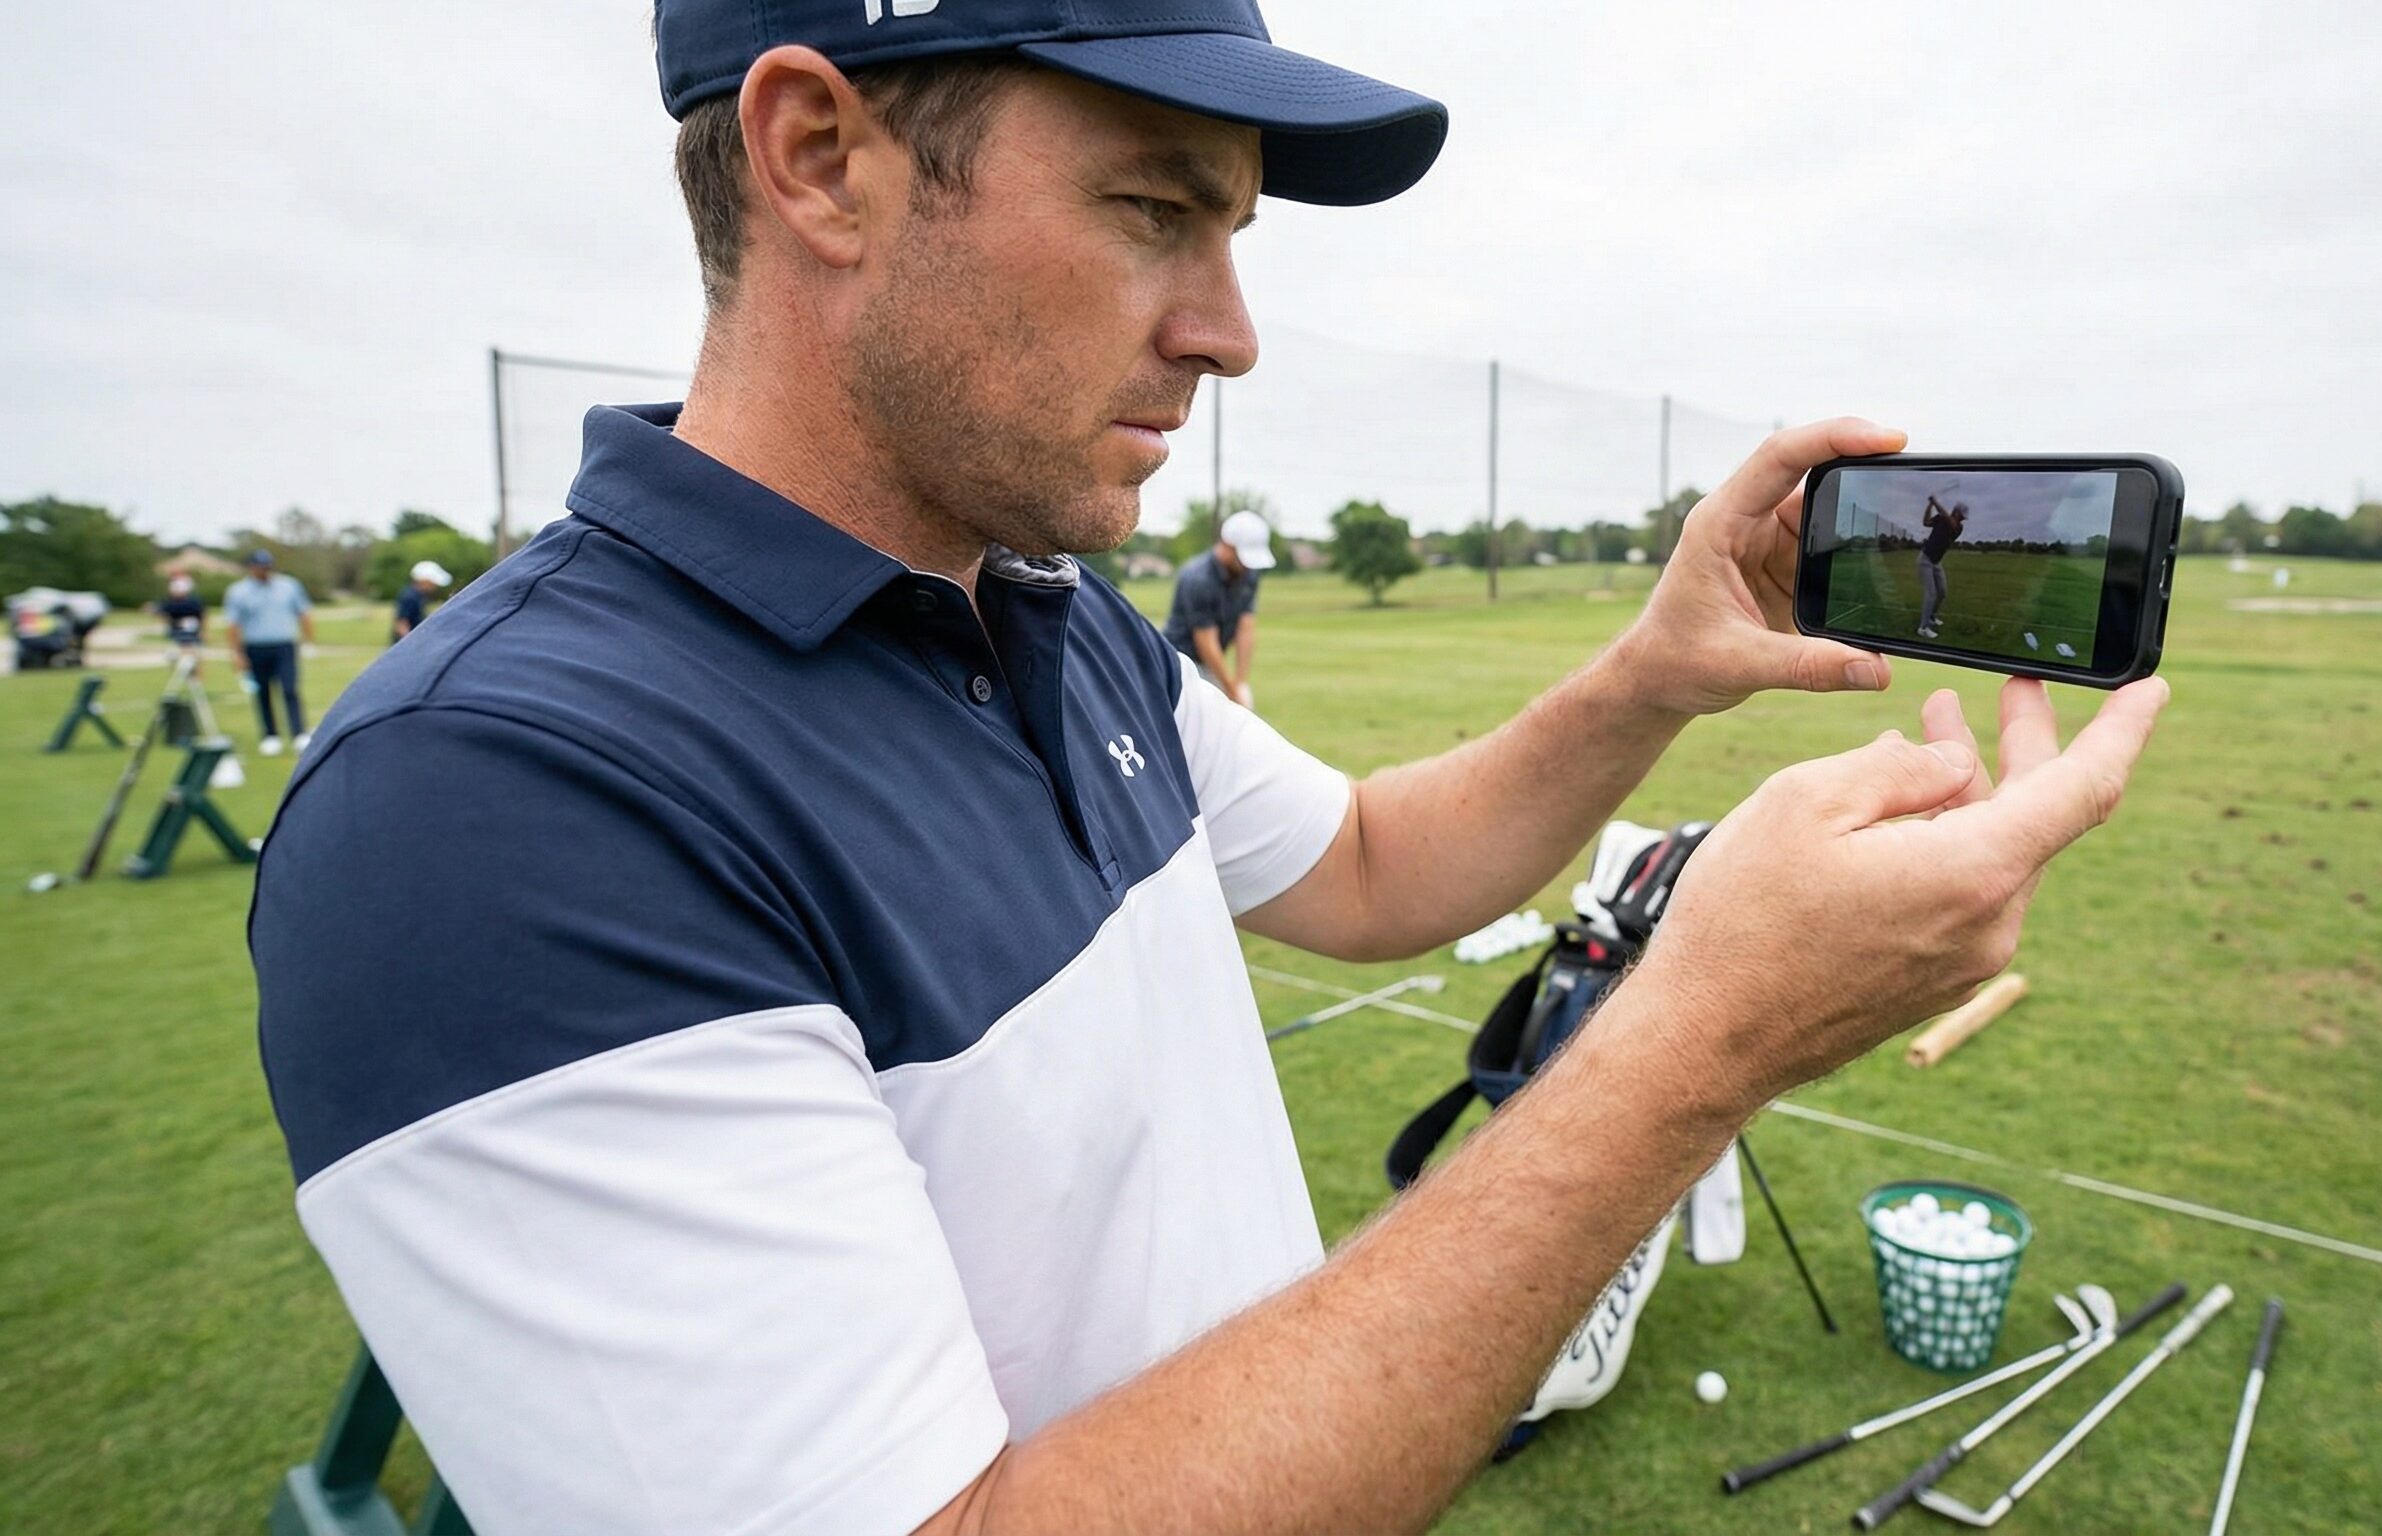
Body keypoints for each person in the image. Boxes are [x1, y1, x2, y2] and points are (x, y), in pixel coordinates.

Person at [249, 7, 2170, 1534]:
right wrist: (1696, 1042)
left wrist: (1648, 679)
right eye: (1154, 209)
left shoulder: (1052, 612)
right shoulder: (493, 805)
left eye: (1229, 231)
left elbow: (1357, 865)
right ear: (818, 157)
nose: (1227, 334)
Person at [1163, 508, 1273, 705]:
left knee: (1237, 711)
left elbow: (1246, 627)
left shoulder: (1248, 573)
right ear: (1228, 545)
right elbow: (1205, 641)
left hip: (1210, 659)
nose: (1248, 566)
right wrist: (1230, 691)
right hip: (1182, 662)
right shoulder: (1198, 578)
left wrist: (1240, 682)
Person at [223, 548, 314, 753]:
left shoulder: (289, 586)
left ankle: (298, 732)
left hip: (284, 646)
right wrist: (236, 654)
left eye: (267, 566)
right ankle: (270, 735)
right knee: (263, 692)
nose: (264, 571)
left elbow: (304, 613)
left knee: (290, 689)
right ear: (251, 568)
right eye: (260, 567)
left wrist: (307, 641)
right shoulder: (238, 591)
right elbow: (233, 625)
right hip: (255, 647)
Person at [1917, 492, 1968, 639]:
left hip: (1936, 562)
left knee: (1942, 592)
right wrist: (1930, 505)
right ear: (1958, 512)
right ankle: (1923, 628)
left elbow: (1949, 520)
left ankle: (1931, 617)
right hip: (1925, 559)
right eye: (1963, 515)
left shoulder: (1958, 527)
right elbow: (1925, 522)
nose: (1964, 519)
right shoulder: (1940, 518)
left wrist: (1936, 502)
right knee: (1931, 593)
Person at [156, 574, 208, 674]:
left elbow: (202, 616)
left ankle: (192, 674)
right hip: (177, 632)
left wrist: (203, 630)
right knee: (183, 652)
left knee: (192, 653)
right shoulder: (170, 603)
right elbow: (162, 614)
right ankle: (185, 670)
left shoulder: (193, 602)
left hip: (192, 633)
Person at [391, 560, 451, 645]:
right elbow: (402, 624)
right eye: (433, 583)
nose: (435, 586)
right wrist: (412, 644)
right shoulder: (410, 597)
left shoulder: (418, 596)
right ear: (425, 581)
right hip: (407, 647)